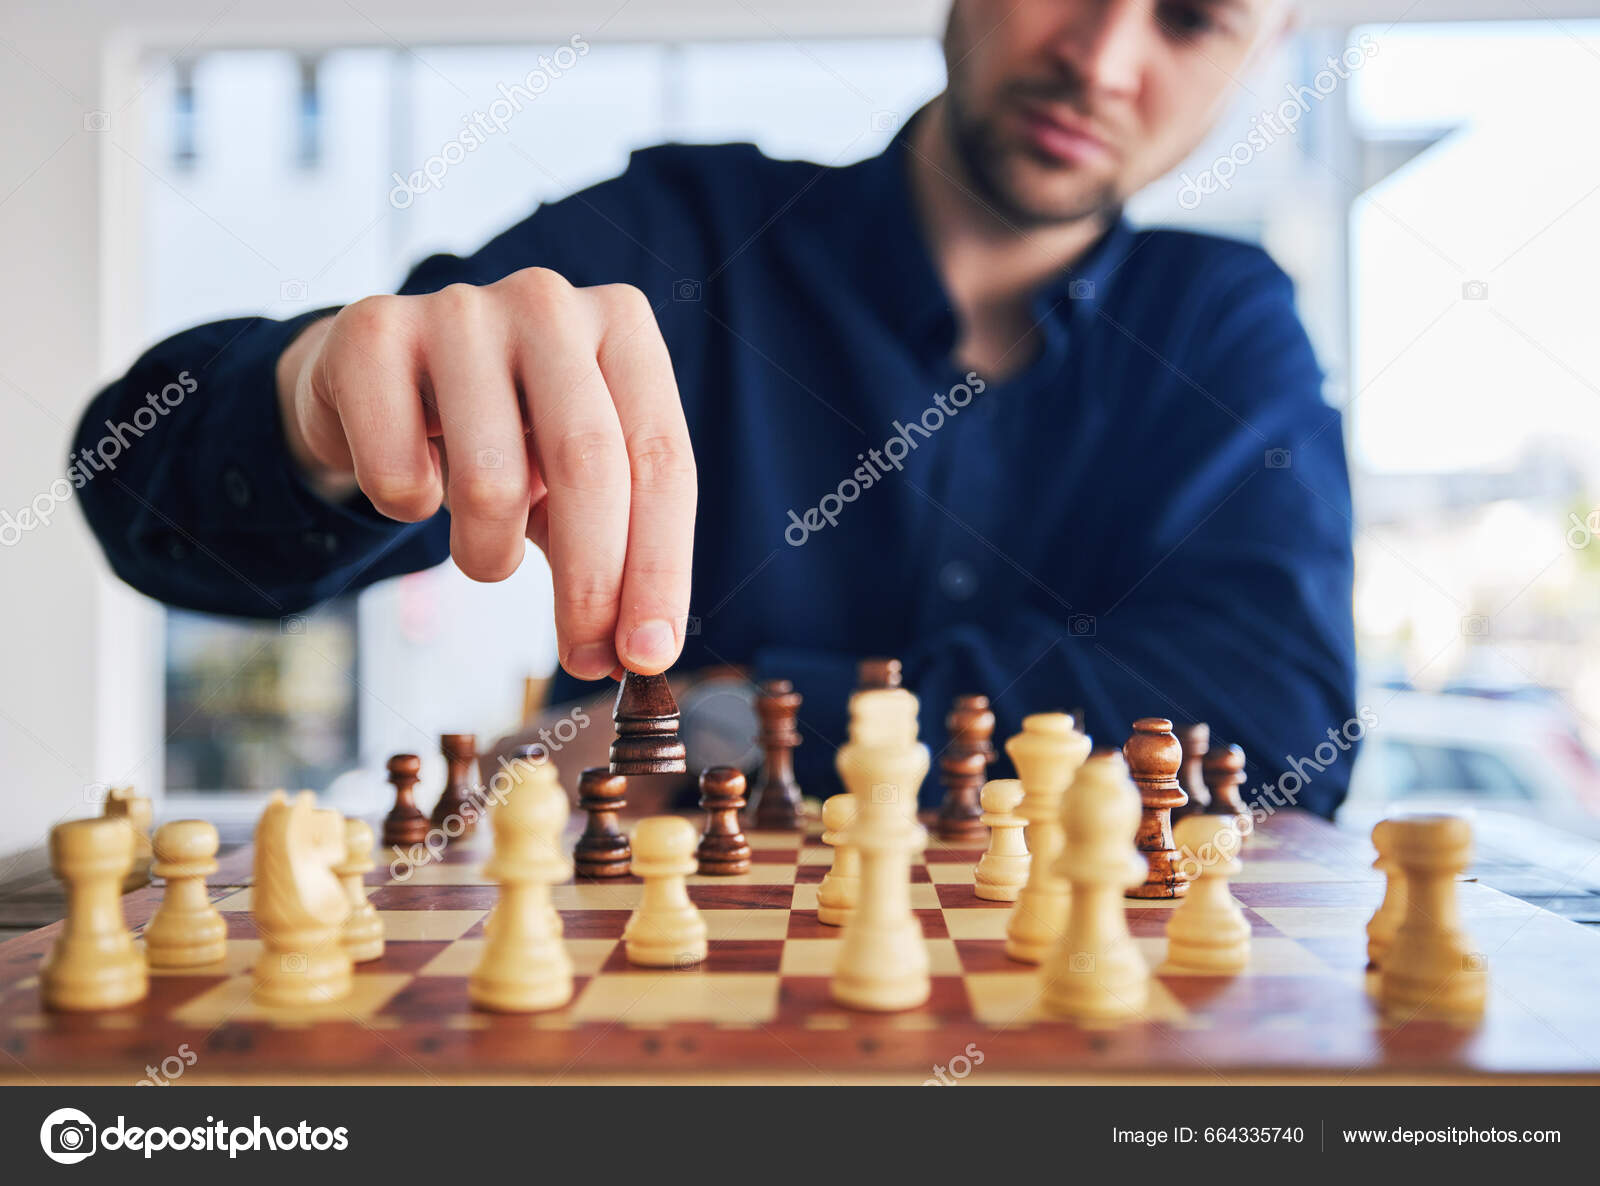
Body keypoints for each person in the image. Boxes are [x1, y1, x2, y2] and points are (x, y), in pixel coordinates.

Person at [72, 0, 1357, 815]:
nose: (1101, 56)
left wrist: (724, 717)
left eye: (1192, 18)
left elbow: (1285, 722)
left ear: (1272, 44)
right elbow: (141, 504)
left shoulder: (1225, 323)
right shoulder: (678, 236)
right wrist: (315, 404)